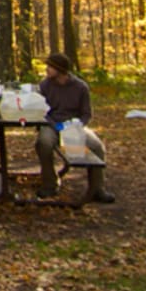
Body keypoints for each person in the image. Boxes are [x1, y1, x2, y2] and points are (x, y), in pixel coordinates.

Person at [35, 53, 114, 203]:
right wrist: (56, 126)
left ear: (60, 70)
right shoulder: (44, 85)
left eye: (50, 67)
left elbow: (86, 114)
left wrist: (76, 126)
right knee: (43, 143)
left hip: (74, 126)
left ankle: (97, 188)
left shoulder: (80, 87)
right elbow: (41, 111)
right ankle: (49, 184)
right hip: (51, 124)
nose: (47, 69)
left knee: (97, 147)